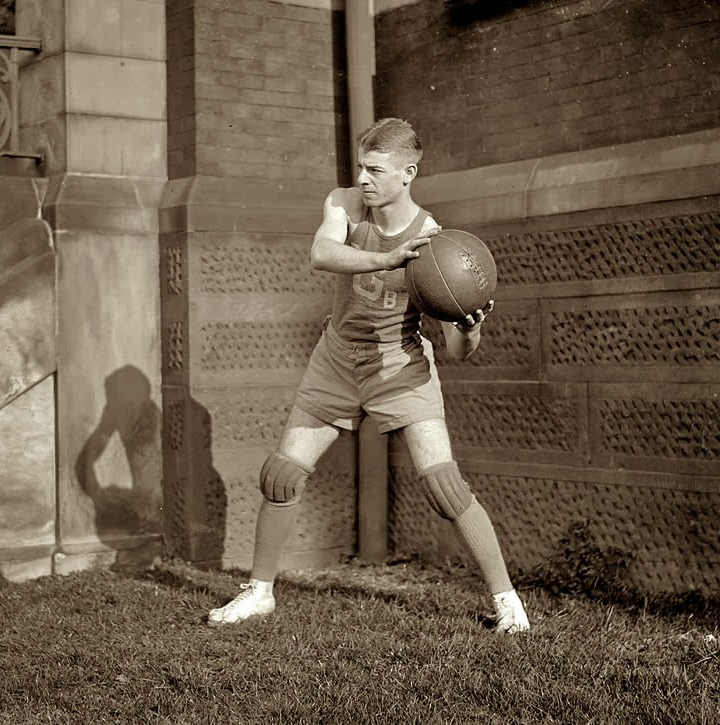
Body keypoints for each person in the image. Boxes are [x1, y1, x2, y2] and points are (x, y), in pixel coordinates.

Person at [208, 118, 530, 634]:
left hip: (397, 366)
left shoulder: (433, 242)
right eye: (361, 165)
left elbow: (458, 349)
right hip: (337, 359)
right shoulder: (344, 203)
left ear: (408, 173)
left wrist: (470, 328)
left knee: (444, 486)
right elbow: (322, 253)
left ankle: (508, 605)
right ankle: (260, 592)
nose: (363, 177)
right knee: (283, 474)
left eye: (375, 169)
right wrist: (386, 257)